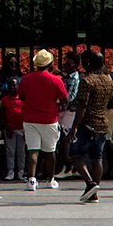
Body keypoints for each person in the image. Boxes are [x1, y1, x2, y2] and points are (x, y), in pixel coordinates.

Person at [13, 49, 70, 189]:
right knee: (50, 151)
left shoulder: (26, 79)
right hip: (49, 118)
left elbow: (21, 96)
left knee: (32, 150)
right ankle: (50, 178)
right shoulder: (56, 80)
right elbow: (64, 98)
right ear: (50, 64)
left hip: (30, 118)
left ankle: (32, 179)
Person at [71, 51, 113, 202]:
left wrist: (74, 127)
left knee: (75, 154)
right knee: (97, 157)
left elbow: (82, 106)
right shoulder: (108, 80)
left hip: (88, 123)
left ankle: (90, 183)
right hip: (102, 123)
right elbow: (111, 102)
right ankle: (94, 191)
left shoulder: (87, 81)